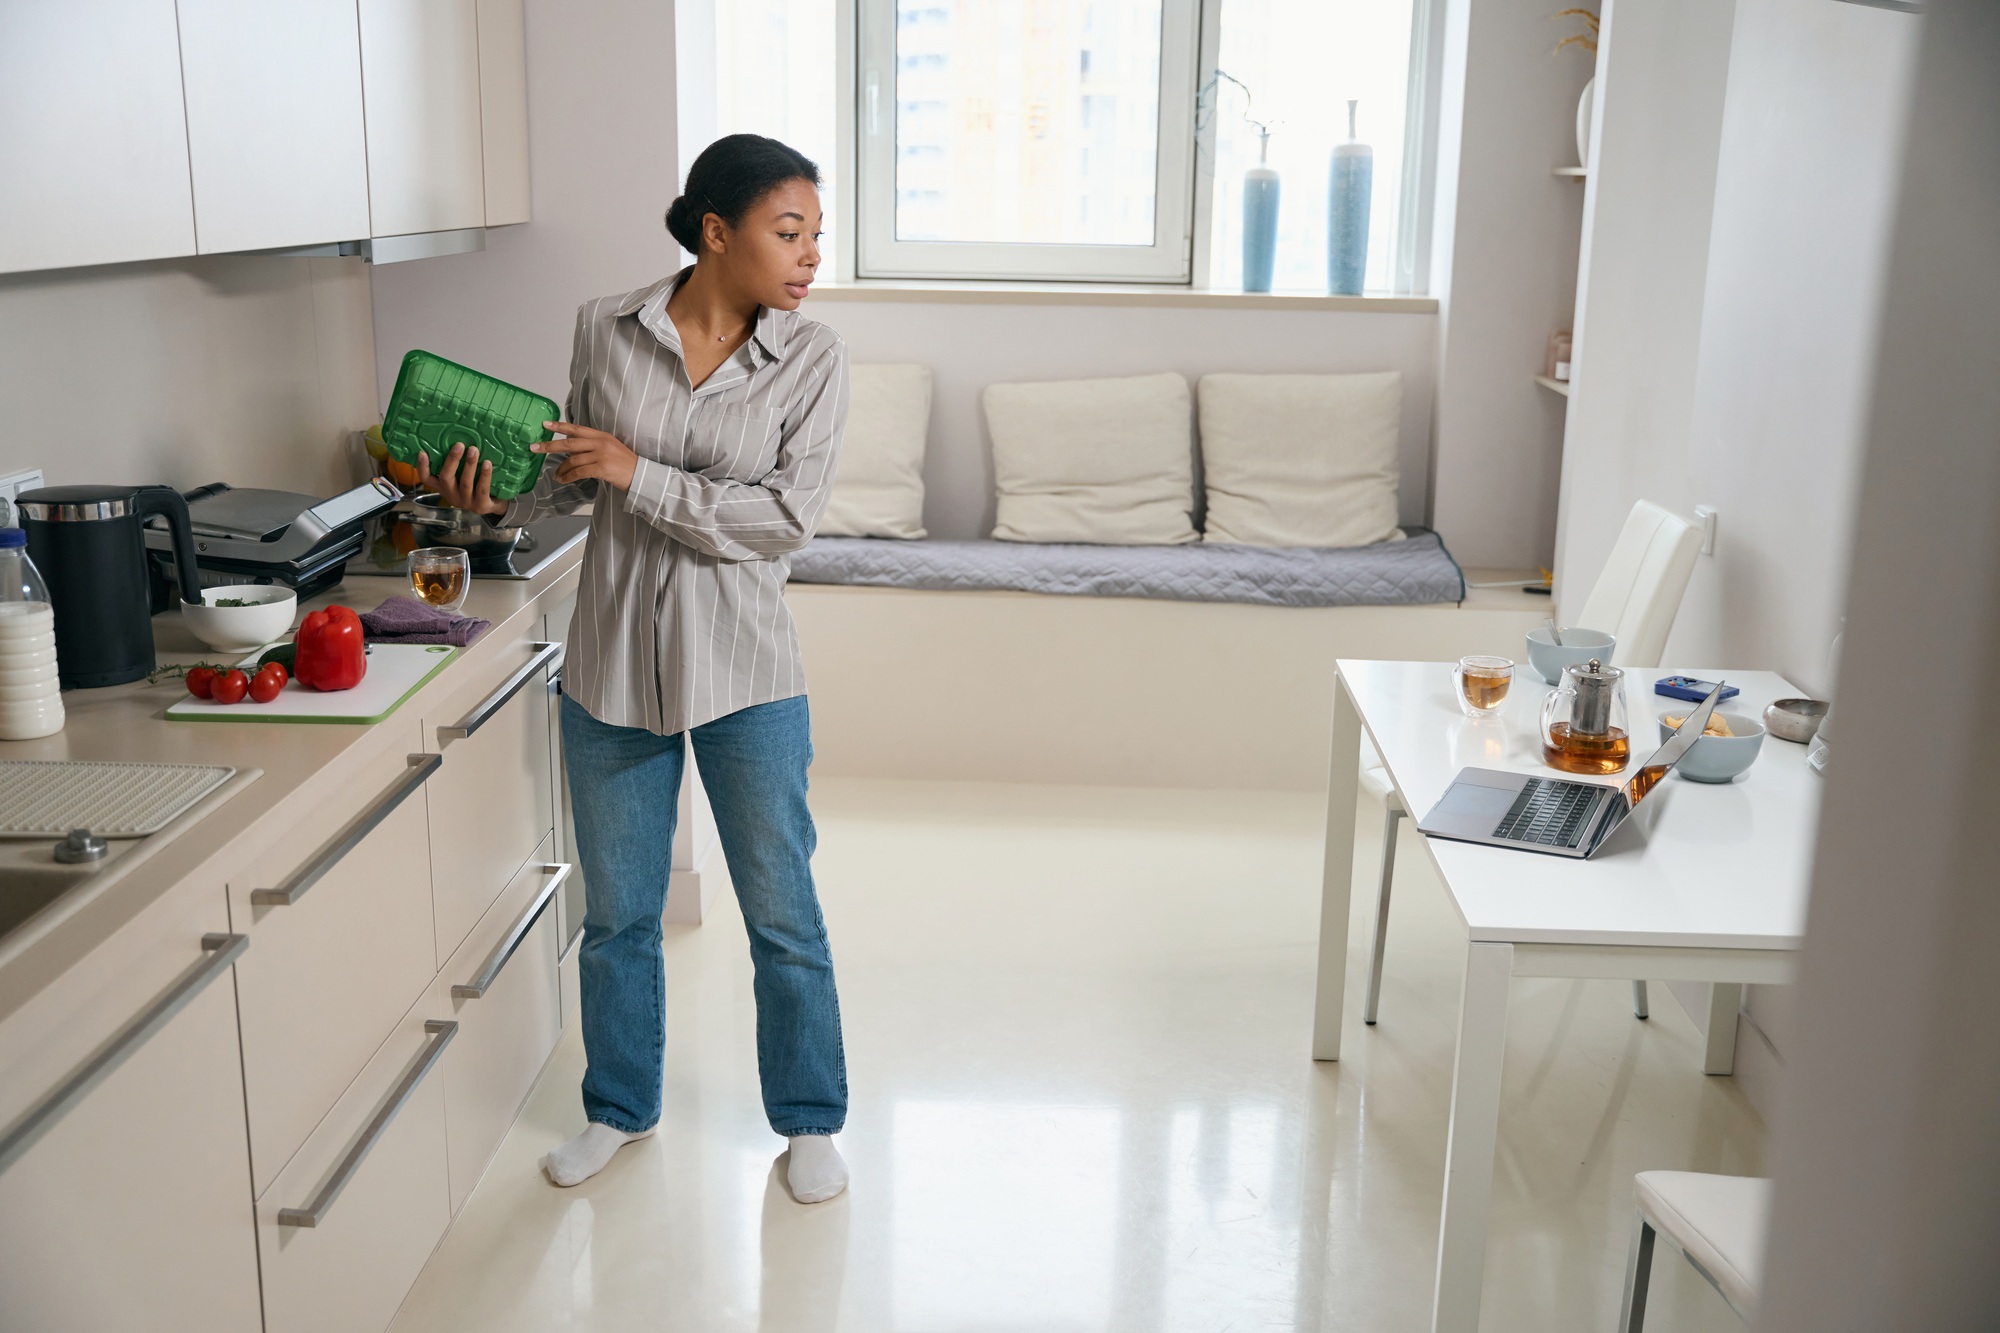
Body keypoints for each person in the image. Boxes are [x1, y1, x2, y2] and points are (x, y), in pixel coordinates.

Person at [418, 134, 851, 1204]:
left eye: (814, 237)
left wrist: (639, 471)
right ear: (716, 231)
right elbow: (571, 486)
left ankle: (808, 1120)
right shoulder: (604, 329)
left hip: (747, 672)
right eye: (786, 233)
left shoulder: (813, 357)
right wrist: (496, 502)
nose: (807, 259)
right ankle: (618, 1107)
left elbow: (783, 520)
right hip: (610, 666)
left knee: (781, 911)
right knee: (616, 917)